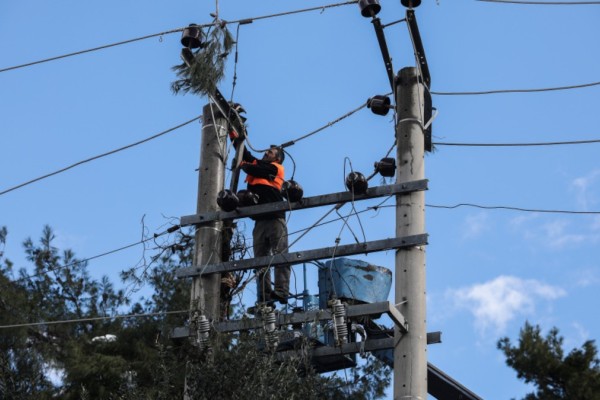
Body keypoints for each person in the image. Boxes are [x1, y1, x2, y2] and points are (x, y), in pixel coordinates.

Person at [239, 145, 290, 305]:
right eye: (266, 150)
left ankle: (281, 291)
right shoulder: (259, 164)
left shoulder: (276, 168)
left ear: (278, 158)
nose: (266, 152)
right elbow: (245, 154)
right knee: (260, 261)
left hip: (275, 218)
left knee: (280, 254)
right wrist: (236, 136)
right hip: (260, 220)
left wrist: (244, 166)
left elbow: (256, 170)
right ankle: (264, 297)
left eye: (270, 152)